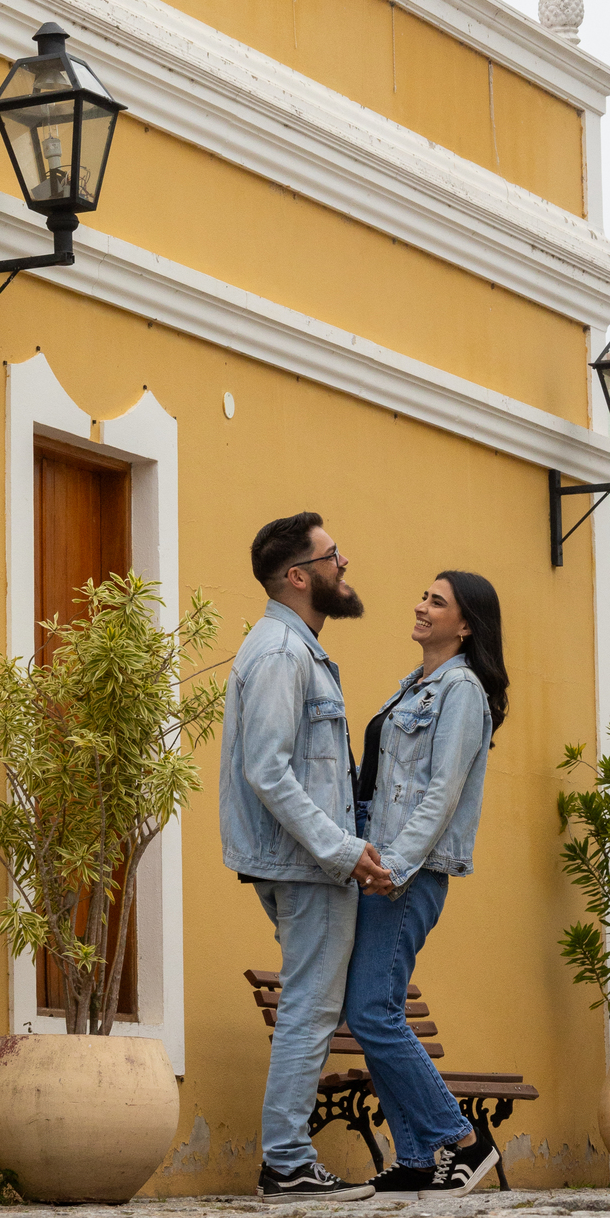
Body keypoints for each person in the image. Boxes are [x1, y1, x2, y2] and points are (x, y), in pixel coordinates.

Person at [221, 512, 390, 1202]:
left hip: (302, 859)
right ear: (298, 576)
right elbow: (268, 770)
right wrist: (342, 850)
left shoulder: (295, 648)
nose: (343, 563)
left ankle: (289, 1159)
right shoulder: (282, 655)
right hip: (305, 863)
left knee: (312, 1004)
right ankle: (287, 1161)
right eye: (331, 554)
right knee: (311, 1008)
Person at [344, 572, 509, 1199]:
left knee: (372, 1010)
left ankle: (463, 1138)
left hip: (404, 873)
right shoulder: (410, 686)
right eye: (422, 595)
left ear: (465, 625)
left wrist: (395, 865)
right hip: (376, 862)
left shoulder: (461, 690)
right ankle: (417, 1155)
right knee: (371, 1009)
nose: (420, 605)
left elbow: (442, 793)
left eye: (437, 601)